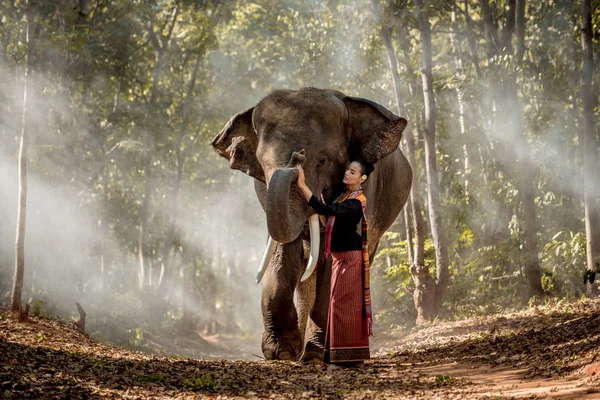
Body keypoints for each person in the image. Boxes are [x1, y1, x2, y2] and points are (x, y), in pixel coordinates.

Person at [296, 158, 374, 369]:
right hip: (341, 258)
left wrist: (302, 185)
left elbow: (328, 211)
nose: (348, 173)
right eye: (348, 169)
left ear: (362, 178)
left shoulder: (356, 201)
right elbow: (326, 218)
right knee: (340, 305)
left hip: (350, 258)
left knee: (341, 305)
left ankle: (346, 358)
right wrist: (322, 205)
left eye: (353, 171)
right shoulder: (343, 197)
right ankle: (348, 357)